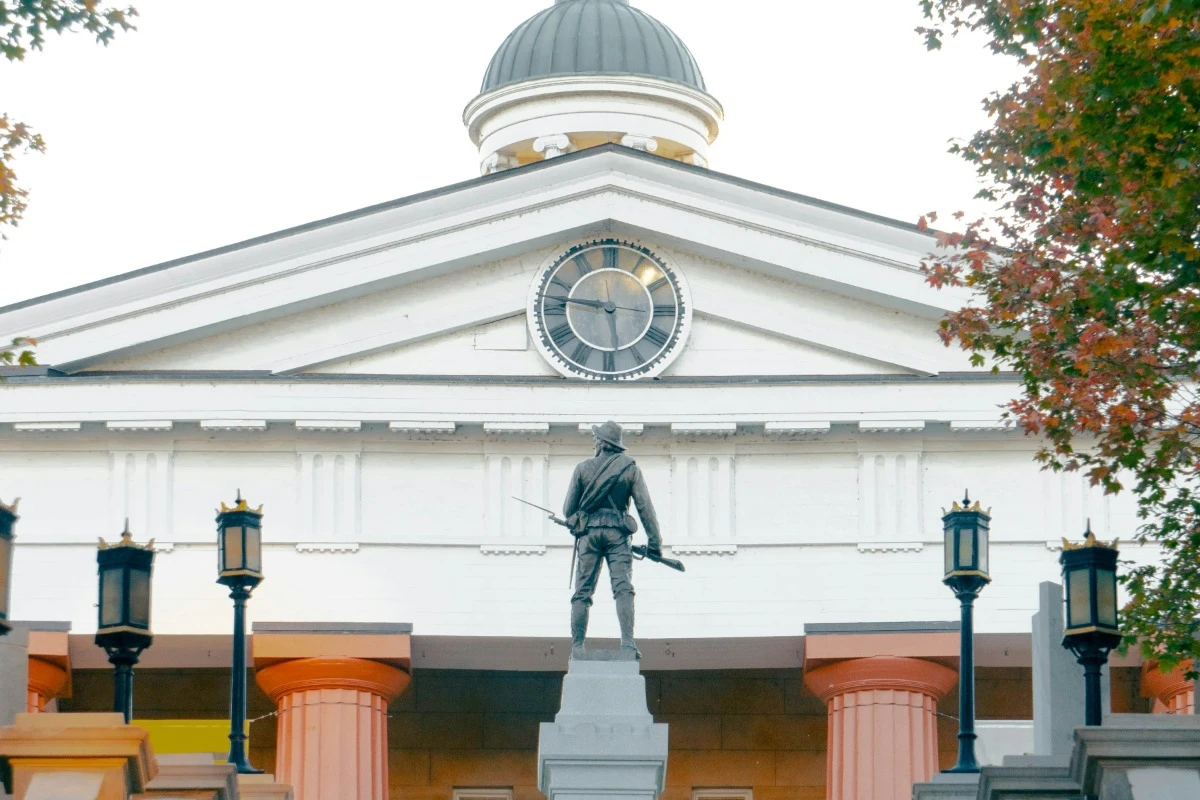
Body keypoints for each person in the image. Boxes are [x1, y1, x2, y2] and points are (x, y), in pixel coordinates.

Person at [562, 420, 663, 659]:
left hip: (589, 536)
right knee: (623, 588)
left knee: (583, 591)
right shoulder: (630, 469)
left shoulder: (582, 468)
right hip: (618, 535)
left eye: (596, 438)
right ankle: (627, 644)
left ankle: (577, 647)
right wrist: (655, 543)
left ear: (601, 443)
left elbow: (568, 509)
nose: (594, 442)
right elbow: (645, 508)